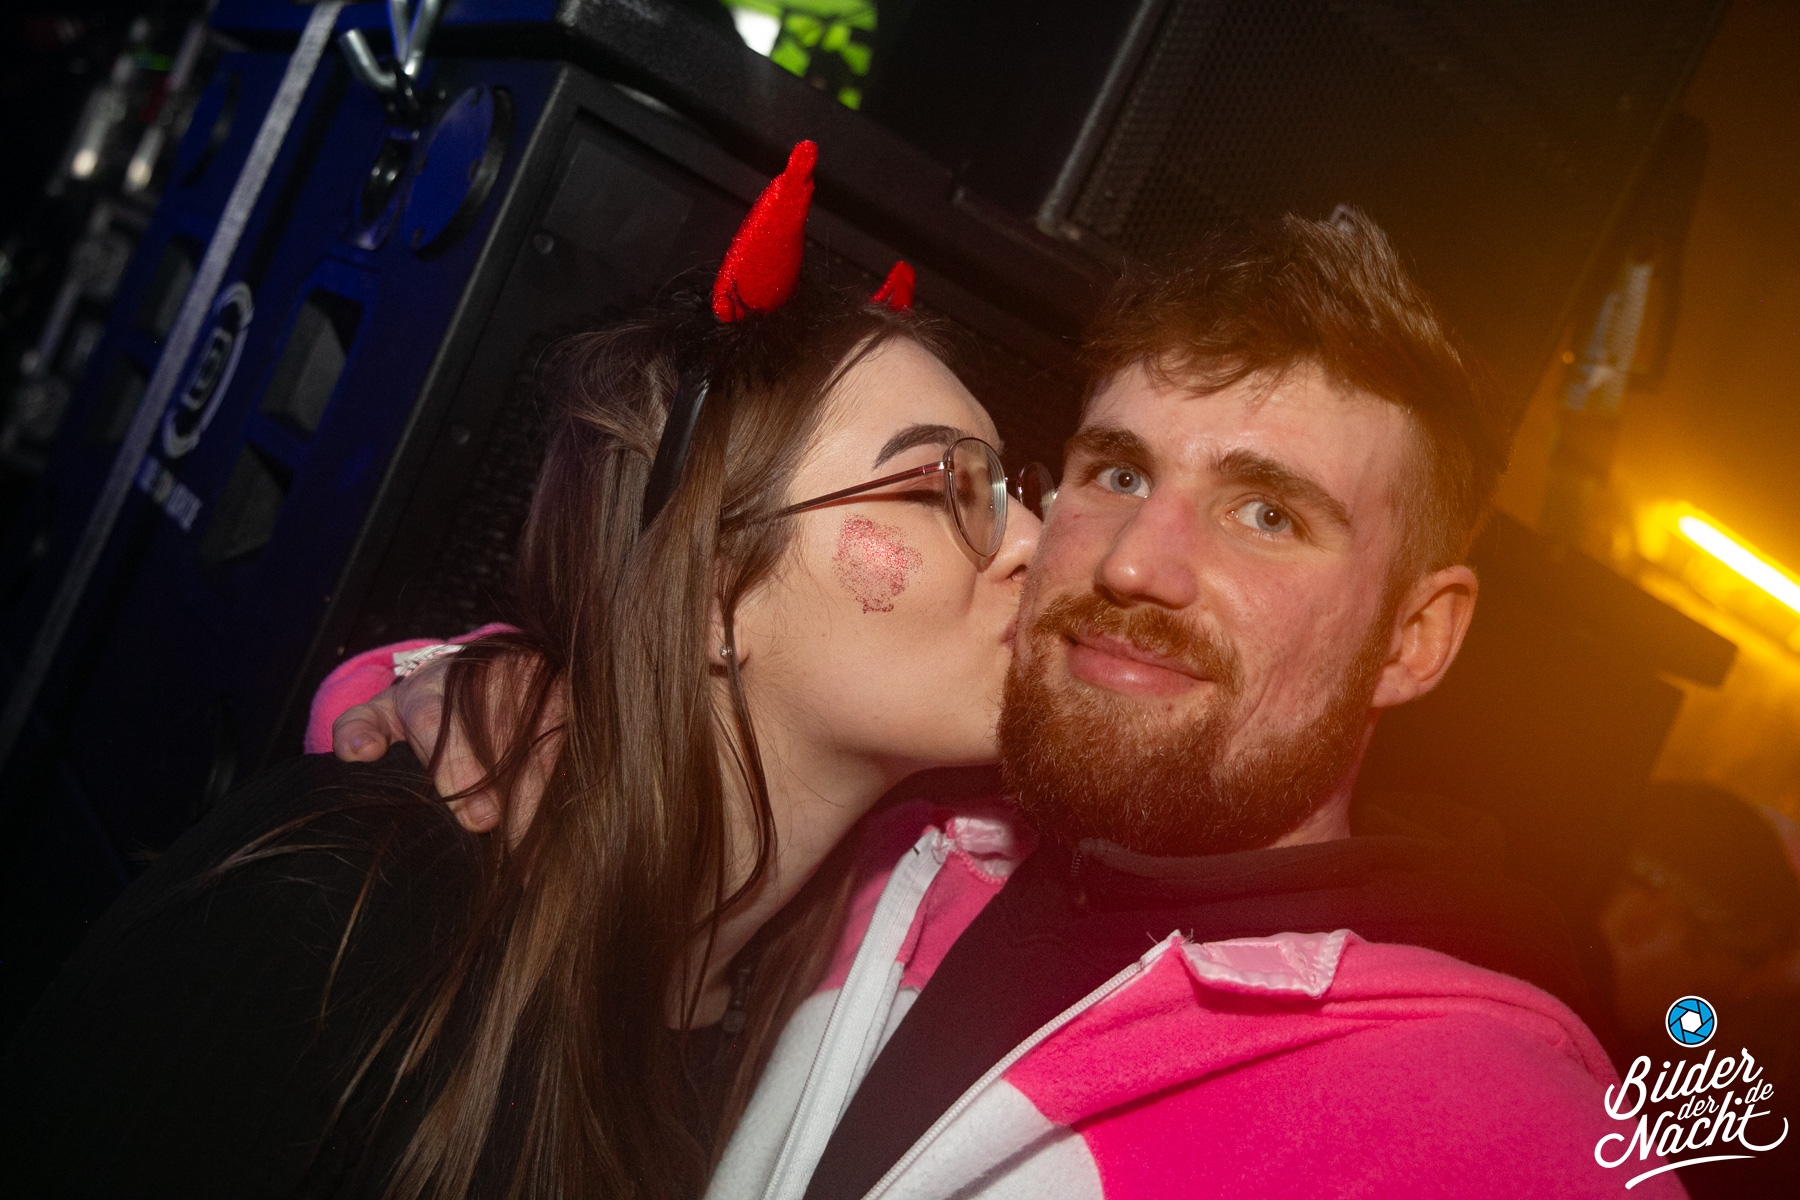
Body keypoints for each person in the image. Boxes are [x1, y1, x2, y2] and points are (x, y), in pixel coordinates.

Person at [330, 213, 1689, 1197]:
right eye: (1116, 473)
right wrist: (483, 677)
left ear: (1415, 638)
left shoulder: (1501, 1135)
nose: (1137, 564)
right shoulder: (893, 846)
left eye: (1267, 514)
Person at [0, 143, 1044, 1199]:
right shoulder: (333, 916)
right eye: (948, 485)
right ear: (712, 592)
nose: (1038, 542)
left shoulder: (840, 1015)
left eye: (1015, 488)